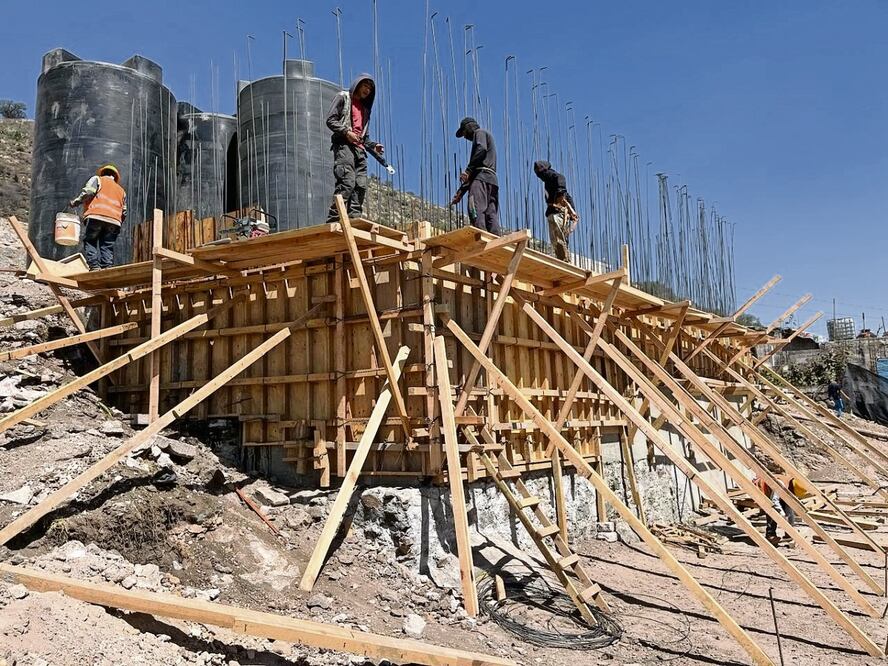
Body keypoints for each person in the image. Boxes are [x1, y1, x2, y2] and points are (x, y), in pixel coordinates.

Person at [326, 74, 384, 221]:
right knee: (347, 182)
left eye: (370, 88)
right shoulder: (344, 97)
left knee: (360, 186)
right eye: (365, 86)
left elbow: (363, 137)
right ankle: (334, 219)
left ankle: (354, 219)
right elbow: (330, 120)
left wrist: (373, 145)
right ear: (358, 85)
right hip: (344, 146)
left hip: (360, 151)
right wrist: (346, 132)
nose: (367, 90)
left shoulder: (365, 110)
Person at [69, 164, 127, 270]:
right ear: (115, 176)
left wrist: (76, 202)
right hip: (114, 221)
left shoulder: (97, 179)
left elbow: (88, 192)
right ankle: (107, 267)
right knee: (107, 245)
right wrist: (118, 223)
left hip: (96, 216)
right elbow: (124, 211)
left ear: (103, 173)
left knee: (90, 241)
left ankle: (94, 267)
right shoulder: (121, 191)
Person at [450, 117, 500, 234]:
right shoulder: (486, 136)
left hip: (481, 180)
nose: (465, 137)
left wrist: (468, 170)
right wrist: (460, 193)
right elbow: (473, 175)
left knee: (475, 208)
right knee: (491, 213)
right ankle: (495, 237)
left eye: (464, 133)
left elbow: (481, 149)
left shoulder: (480, 133)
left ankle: (481, 235)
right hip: (492, 181)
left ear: (469, 127)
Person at [533, 160, 579, 261]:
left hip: (559, 212)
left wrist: (560, 194)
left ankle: (564, 259)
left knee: (559, 239)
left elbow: (561, 180)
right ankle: (562, 258)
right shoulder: (547, 183)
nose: (539, 176)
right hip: (552, 212)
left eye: (540, 173)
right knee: (555, 240)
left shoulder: (553, 176)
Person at [755, 474, 805, 544]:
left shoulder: (791, 485)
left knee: (788, 507)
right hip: (765, 489)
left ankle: (789, 532)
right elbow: (774, 501)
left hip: (777, 493)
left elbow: (789, 506)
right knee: (772, 509)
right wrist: (782, 514)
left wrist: (790, 526)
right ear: (791, 488)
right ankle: (770, 535)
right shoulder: (781, 484)